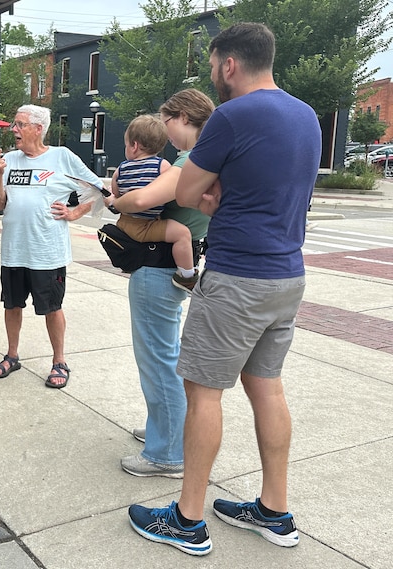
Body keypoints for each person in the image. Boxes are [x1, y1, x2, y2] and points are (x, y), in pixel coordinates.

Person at [128, 23, 321, 556]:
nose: (213, 75)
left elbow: (188, 189)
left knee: (203, 392)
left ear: (229, 64)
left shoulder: (234, 115)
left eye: (213, 65)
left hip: (238, 276)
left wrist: (215, 195)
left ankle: (187, 519)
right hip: (288, 274)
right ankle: (274, 510)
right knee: (268, 388)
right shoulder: (306, 115)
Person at [105, 89, 214, 479]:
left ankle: (166, 452)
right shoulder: (201, 157)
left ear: (183, 117)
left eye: (167, 122)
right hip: (172, 265)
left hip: (156, 266)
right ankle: (163, 430)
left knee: (157, 360)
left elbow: (138, 201)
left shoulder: (190, 160)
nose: (165, 134)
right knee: (162, 355)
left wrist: (116, 202)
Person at [0, 104, 103, 388]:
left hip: (47, 252)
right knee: (12, 305)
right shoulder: (9, 160)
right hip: (14, 250)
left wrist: (75, 213)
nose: (14, 130)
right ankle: (12, 356)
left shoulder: (62, 157)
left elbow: (98, 189)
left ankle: (59, 361)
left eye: (19, 124)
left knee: (52, 307)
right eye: (14, 124)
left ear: (38, 129)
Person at [109, 114, 199, 291]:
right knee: (182, 234)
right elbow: (171, 191)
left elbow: (115, 193)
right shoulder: (163, 166)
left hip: (125, 223)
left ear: (134, 145)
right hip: (145, 227)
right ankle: (187, 276)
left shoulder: (120, 169)